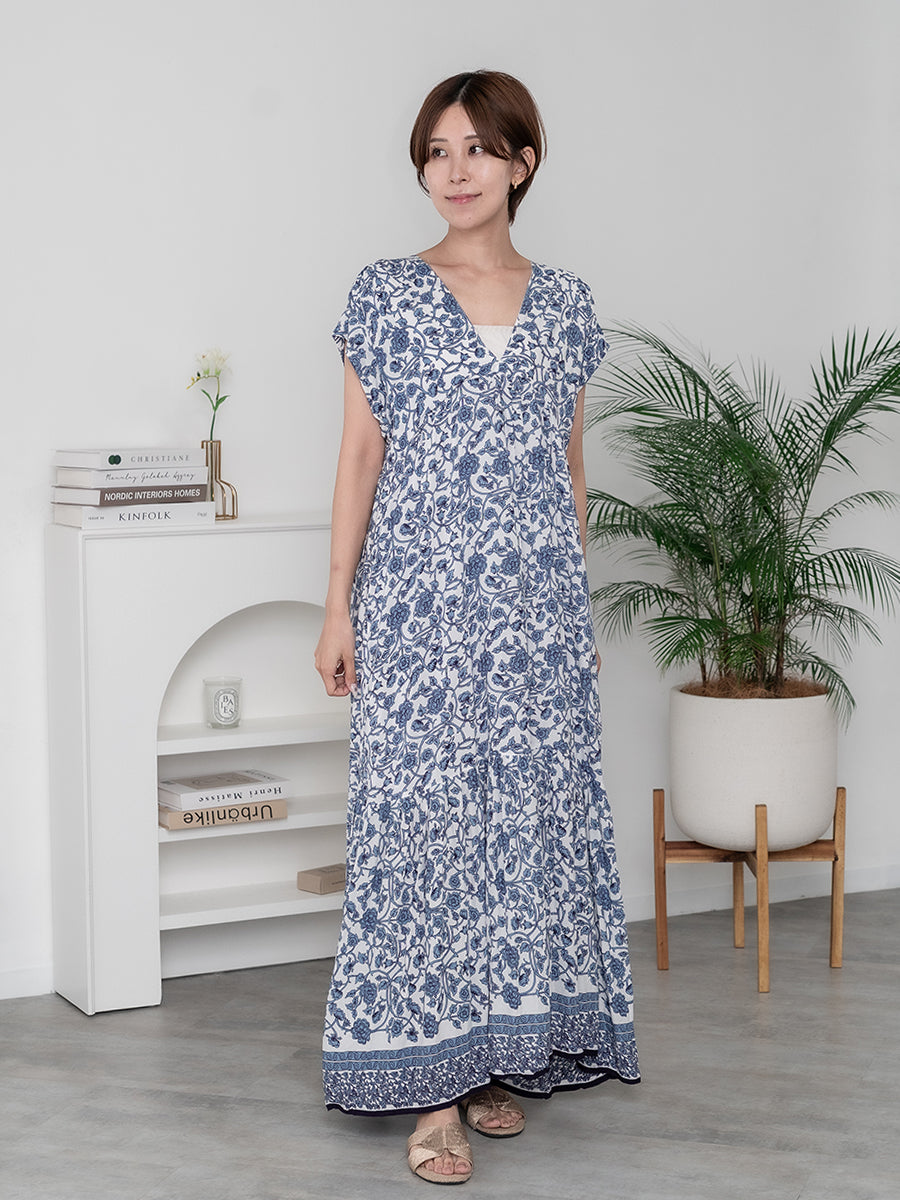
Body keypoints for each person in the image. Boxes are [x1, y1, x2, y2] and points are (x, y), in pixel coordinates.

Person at [315, 69, 639, 1186]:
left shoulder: (568, 305)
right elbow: (360, 456)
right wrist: (337, 605)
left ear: (521, 163)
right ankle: (435, 1096)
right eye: (437, 151)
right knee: (424, 832)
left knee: (520, 831)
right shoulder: (386, 294)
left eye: (477, 149)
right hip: (417, 609)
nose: (454, 171)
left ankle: (494, 1054)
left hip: (534, 616)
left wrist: (571, 608)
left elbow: (569, 470)